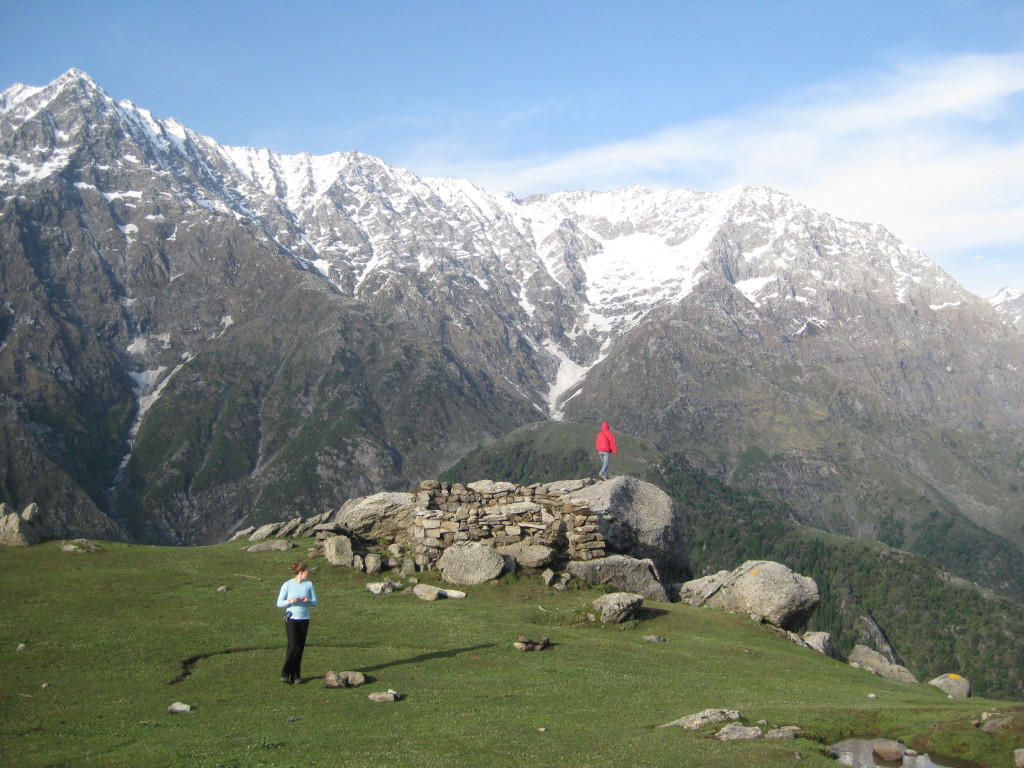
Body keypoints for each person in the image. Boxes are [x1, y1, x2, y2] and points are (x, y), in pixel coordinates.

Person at [276, 561, 318, 684]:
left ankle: (296, 675)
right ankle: (285, 672)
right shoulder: (288, 585)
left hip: (304, 618)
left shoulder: (309, 585)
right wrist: (290, 601)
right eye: (307, 572)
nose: (308, 574)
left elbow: (315, 602)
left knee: (300, 647)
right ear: (301, 572)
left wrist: (308, 600)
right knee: (293, 645)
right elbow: (279, 603)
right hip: (292, 619)